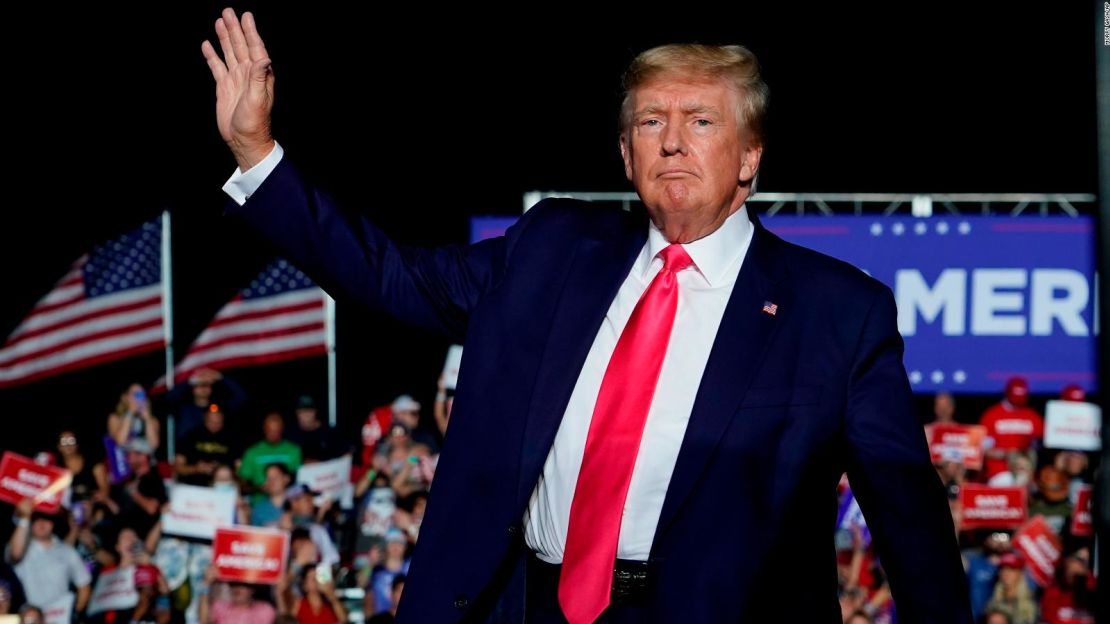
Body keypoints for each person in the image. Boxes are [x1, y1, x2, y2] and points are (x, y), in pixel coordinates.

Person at [202, 10, 970, 622]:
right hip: (525, 605)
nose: (672, 141)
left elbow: (909, 522)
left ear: (749, 156)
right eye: (650, 122)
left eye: (701, 121)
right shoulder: (551, 250)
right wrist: (257, 150)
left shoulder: (838, 312)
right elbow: (389, 277)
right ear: (626, 153)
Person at [5, 500, 91, 619]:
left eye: (46, 518)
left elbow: (84, 585)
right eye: (36, 518)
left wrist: (74, 614)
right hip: (30, 618)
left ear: (53, 523)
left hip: (60, 617)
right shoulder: (21, 547)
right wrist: (24, 518)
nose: (41, 522)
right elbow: (15, 554)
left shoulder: (67, 551)